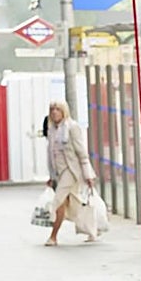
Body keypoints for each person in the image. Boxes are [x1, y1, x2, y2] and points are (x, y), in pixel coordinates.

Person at [44, 100, 97, 246]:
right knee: (74, 203)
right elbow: (51, 155)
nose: (55, 112)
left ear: (64, 111)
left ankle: (52, 233)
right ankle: (93, 230)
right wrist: (51, 176)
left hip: (71, 171)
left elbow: (81, 152)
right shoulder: (52, 129)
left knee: (57, 201)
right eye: (52, 109)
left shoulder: (72, 127)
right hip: (59, 173)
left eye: (58, 109)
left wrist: (88, 175)